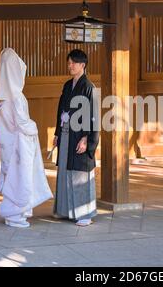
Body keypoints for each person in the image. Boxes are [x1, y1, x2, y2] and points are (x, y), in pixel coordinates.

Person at [0, 47, 53, 228]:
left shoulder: (2, 102)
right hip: (20, 147)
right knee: (20, 178)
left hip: (8, 146)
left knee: (11, 176)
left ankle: (13, 211)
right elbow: (23, 124)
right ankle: (17, 213)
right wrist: (34, 126)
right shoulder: (17, 98)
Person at [52, 49, 99, 226]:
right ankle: (66, 210)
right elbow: (61, 110)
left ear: (82, 65)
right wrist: (57, 133)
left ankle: (85, 213)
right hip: (66, 134)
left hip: (80, 135)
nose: (69, 65)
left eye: (73, 62)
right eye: (69, 62)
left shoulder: (89, 87)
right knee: (65, 170)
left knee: (80, 174)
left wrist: (87, 138)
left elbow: (93, 114)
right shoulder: (67, 85)